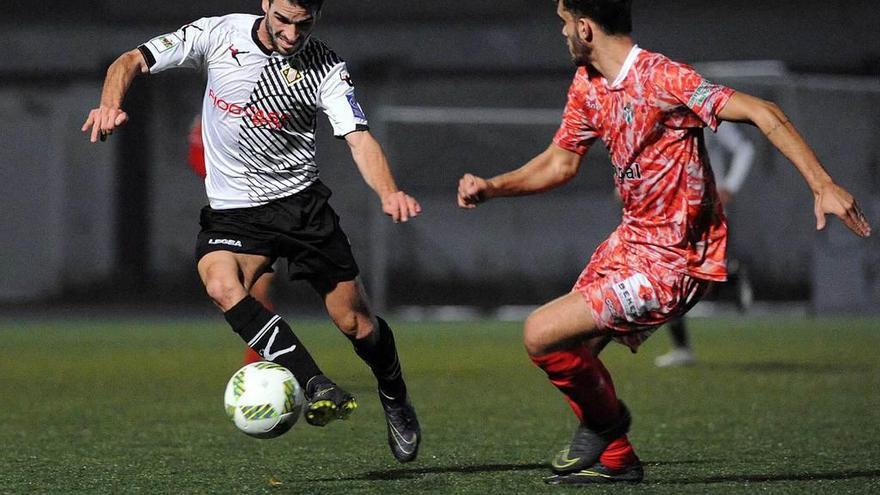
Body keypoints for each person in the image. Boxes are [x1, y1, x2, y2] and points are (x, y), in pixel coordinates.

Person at [457, 0, 871, 485]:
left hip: (674, 263)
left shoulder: (662, 77)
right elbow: (560, 163)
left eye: (565, 24)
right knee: (572, 349)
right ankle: (619, 461)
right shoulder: (588, 86)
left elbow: (763, 110)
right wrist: (493, 187)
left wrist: (822, 183)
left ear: (585, 28)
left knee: (539, 332)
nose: (563, 34)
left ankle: (607, 425)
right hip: (628, 246)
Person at [83, 0, 423, 463]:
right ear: (265, 4)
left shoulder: (325, 67)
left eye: (303, 24)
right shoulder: (217, 34)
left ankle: (395, 396)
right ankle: (314, 381)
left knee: (355, 323)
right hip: (235, 212)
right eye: (282, 19)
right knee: (223, 285)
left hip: (302, 209)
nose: (290, 33)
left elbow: (358, 138)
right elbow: (130, 60)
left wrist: (389, 191)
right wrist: (109, 105)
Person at [654, 124, 756, 368]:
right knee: (671, 276)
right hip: (667, 206)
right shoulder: (650, 109)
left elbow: (745, 148)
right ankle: (730, 277)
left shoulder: (702, 105)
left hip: (705, 206)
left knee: (680, 277)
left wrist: (730, 185)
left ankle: (729, 277)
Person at [188, 115, 266, 365]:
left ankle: (260, 360)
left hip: (269, 205)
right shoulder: (210, 115)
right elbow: (198, 159)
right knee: (237, 287)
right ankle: (259, 360)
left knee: (258, 289)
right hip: (232, 213)